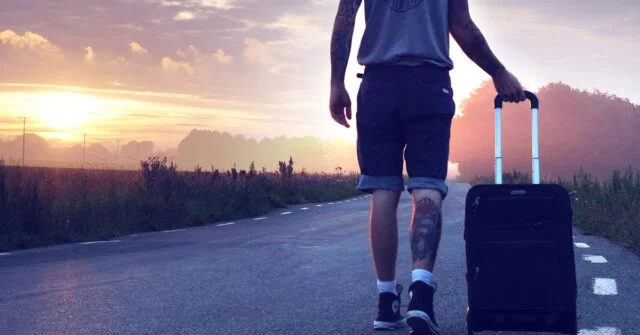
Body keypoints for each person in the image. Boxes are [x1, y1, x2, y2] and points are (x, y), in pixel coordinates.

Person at [329, 1, 526, 334]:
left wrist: (336, 83)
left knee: (382, 191)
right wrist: (498, 71)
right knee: (428, 186)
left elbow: (344, 23)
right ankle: (421, 296)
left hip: (378, 85)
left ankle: (386, 303)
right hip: (429, 85)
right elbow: (462, 26)